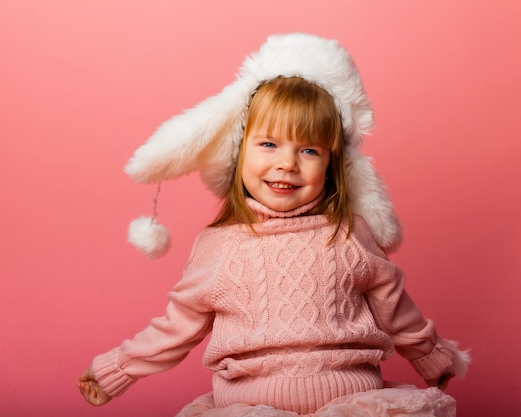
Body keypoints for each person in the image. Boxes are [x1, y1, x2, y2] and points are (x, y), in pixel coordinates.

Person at [78, 33, 470, 417]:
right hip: (248, 407)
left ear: (333, 164)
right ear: (239, 149)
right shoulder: (219, 247)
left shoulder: (349, 235)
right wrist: (117, 370)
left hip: (351, 404)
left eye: (309, 150)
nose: (287, 163)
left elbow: (397, 310)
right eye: (269, 144)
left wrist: (432, 357)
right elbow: (176, 328)